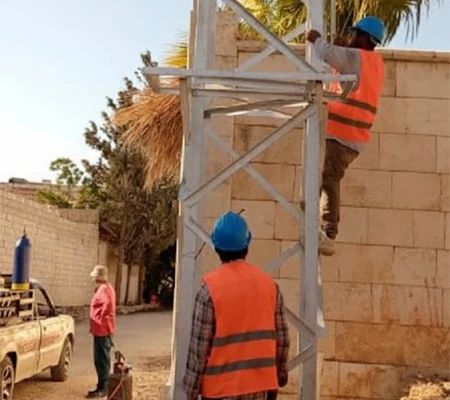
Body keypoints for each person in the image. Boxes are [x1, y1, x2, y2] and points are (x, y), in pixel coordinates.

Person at [183, 211, 290, 400]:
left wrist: (191, 391)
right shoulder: (270, 286)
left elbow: (199, 349)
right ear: (247, 245)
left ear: (217, 248)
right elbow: (282, 339)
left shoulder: (209, 289)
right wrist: (279, 376)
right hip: (260, 388)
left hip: (220, 391)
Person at [306, 16, 386, 256]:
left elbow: (329, 54)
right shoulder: (374, 62)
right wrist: (343, 48)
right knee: (326, 175)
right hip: (355, 136)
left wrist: (316, 39)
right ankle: (312, 211)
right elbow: (344, 67)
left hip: (342, 134)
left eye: (354, 35)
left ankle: (329, 231)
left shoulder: (355, 57)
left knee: (329, 178)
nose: (351, 38)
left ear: (363, 38)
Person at [86, 265, 116, 398]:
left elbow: (108, 306)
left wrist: (101, 320)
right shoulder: (104, 288)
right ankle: (101, 386)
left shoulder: (104, 289)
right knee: (100, 360)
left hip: (102, 330)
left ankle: (103, 388)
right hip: (101, 330)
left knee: (102, 360)